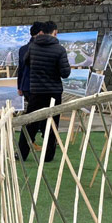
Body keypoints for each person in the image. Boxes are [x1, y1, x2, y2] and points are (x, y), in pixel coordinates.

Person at [18, 20, 71, 163]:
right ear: (55, 32)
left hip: (36, 90)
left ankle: (21, 153)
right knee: (51, 124)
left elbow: (26, 61)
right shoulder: (59, 49)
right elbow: (65, 73)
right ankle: (48, 156)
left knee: (30, 122)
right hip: (53, 92)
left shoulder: (33, 47)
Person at [16, 21, 44, 101]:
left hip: (26, 86)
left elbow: (21, 69)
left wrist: (19, 87)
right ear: (40, 33)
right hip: (40, 87)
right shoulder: (43, 48)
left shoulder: (23, 49)